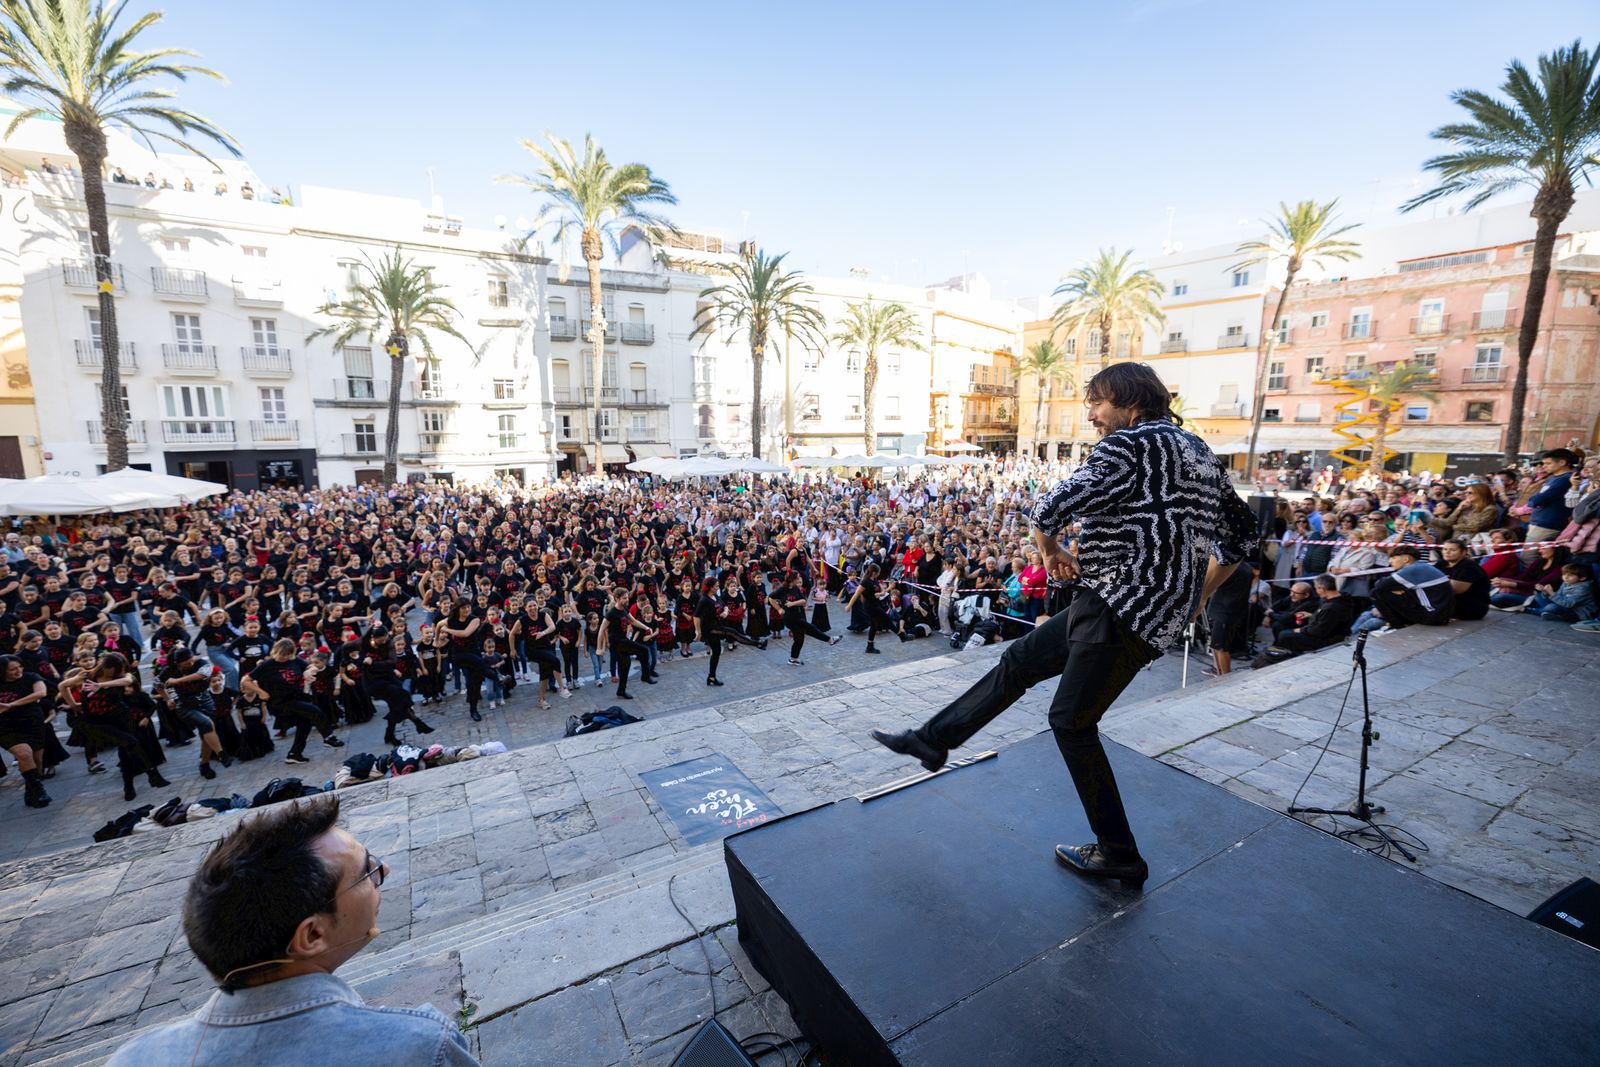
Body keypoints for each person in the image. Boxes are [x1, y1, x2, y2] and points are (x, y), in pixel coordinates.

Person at [871, 363, 1257, 886]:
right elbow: (1240, 539)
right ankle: (933, 739)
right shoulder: (1200, 453)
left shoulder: (1128, 445)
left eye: (1097, 401)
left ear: (1130, 399)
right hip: (1126, 606)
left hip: (1120, 608)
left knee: (1071, 722)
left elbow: (1049, 507)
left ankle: (1119, 852)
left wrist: (1050, 550)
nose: (1092, 414)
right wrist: (1196, 597)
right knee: (1019, 660)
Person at [106, 796, 480, 1067]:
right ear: (312, 935)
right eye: (369, 871)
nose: (385, 873)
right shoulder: (418, 1047)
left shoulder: (133, 1058)